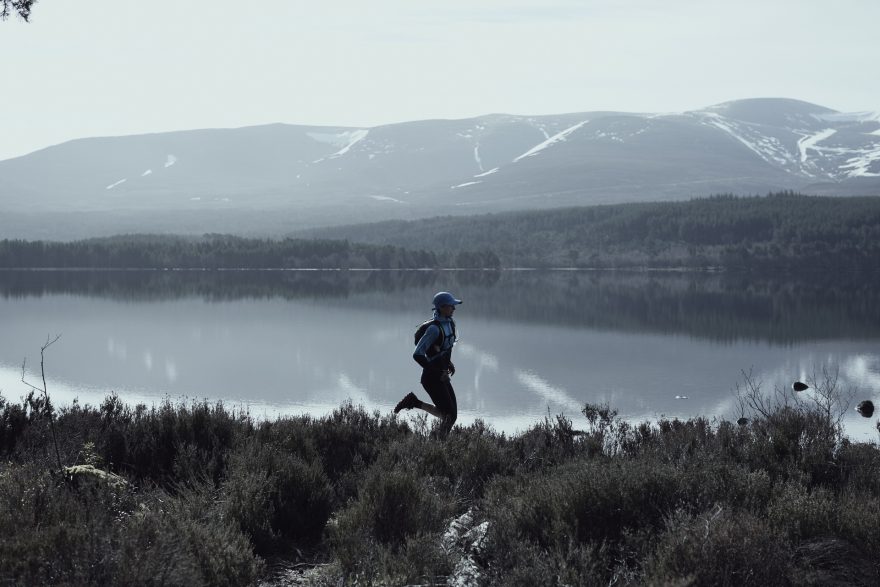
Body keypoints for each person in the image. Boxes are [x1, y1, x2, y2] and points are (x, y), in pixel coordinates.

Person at [394, 291, 461, 436]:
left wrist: (448, 363)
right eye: (451, 306)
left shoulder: (450, 324)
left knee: (450, 414)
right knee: (450, 416)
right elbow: (417, 354)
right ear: (442, 307)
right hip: (432, 379)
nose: (454, 308)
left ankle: (414, 402)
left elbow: (443, 348)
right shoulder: (433, 329)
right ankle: (436, 445)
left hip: (441, 376)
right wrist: (437, 372)